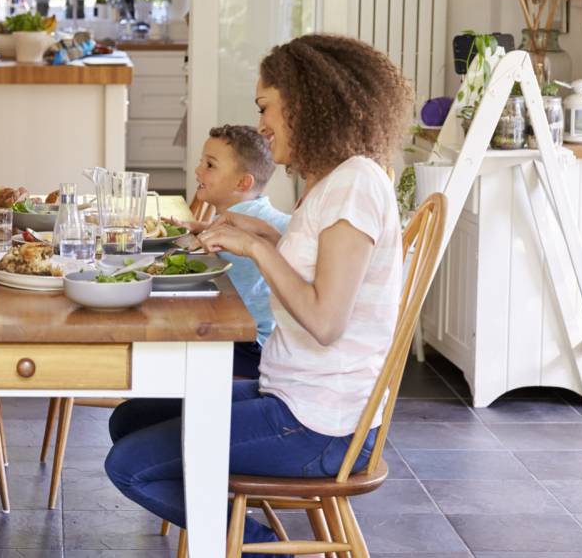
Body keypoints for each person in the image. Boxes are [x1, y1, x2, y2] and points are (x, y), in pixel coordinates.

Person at [104, 34, 409, 556]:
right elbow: (320, 267)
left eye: (266, 106)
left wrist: (257, 248)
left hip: (320, 425)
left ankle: (256, 546)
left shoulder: (354, 185)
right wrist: (268, 236)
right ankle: (237, 533)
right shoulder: (337, 179)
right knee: (129, 418)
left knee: (129, 467)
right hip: (295, 394)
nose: (263, 125)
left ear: (308, 103)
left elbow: (326, 319)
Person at [175, 124, 290, 378]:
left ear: (242, 182)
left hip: (251, 348)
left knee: (163, 351)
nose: (198, 170)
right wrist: (202, 227)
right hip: (260, 342)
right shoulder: (254, 213)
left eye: (210, 165)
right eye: (201, 162)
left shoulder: (255, 224)